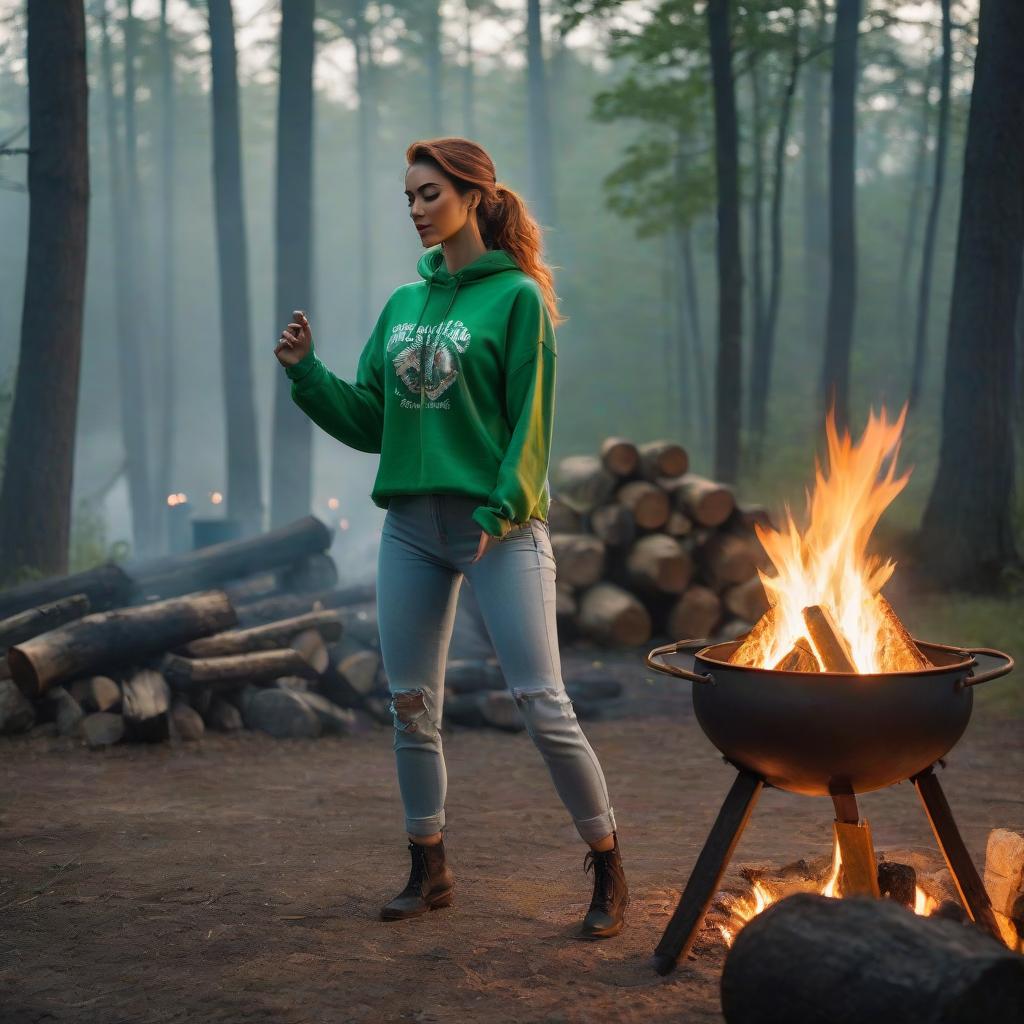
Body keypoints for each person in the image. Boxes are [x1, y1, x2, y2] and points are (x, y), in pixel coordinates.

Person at [274, 137, 627, 939]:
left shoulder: (519, 300)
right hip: (409, 528)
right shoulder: (403, 304)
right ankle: (428, 865)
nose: (415, 210)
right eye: (407, 197)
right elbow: (372, 420)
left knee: (542, 701)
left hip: (496, 528)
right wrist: (306, 371)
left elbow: (532, 423)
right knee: (410, 705)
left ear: (473, 195)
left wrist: (501, 510)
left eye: (428, 194)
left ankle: (607, 861)